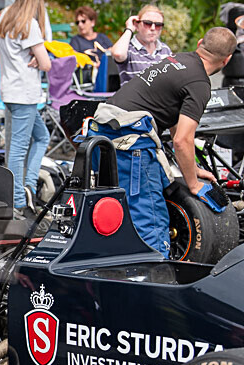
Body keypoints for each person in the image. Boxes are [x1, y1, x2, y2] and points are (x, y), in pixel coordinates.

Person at [88, 27, 236, 257]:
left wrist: (193, 169)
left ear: (199, 43)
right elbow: (182, 140)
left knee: (118, 210)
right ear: (227, 60)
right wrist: (194, 185)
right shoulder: (199, 84)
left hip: (103, 133)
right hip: (130, 142)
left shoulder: (179, 59)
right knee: (151, 221)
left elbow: (173, 119)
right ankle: (155, 280)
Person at [0, 0, 51, 219]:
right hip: (25, 94)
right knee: (18, 150)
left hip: (9, 90)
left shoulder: (5, 16)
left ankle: (29, 187)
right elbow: (46, 63)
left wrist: (37, 58)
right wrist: (40, 59)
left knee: (41, 137)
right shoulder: (29, 24)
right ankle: (19, 201)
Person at [111, 5, 172, 86]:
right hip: (134, 97)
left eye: (158, 25)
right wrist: (129, 29)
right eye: (147, 23)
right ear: (137, 25)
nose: (153, 28)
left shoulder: (165, 49)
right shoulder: (128, 48)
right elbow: (118, 53)